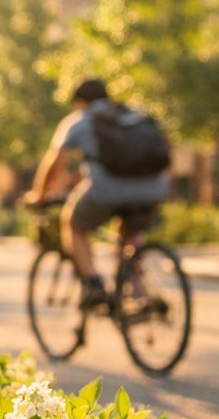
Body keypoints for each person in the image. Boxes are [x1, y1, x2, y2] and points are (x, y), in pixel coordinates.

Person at [25, 78, 170, 309]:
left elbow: (55, 163)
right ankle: (136, 286)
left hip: (106, 192)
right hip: (153, 189)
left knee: (73, 223)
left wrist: (39, 195)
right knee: (128, 230)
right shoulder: (136, 115)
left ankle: (93, 284)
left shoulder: (81, 121)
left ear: (80, 102)